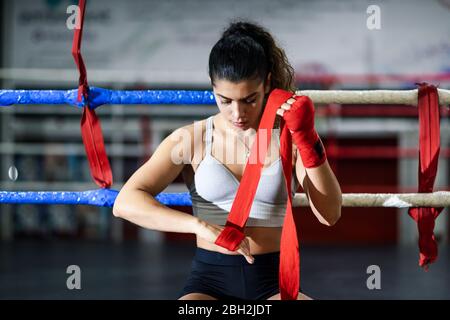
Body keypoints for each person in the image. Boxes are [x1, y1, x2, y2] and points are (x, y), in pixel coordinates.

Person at [112, 20, 342, 300]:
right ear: (212, 89)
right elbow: (125, 203)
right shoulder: (192, 139)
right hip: (209, 282)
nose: (237, 113)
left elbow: (329, 215)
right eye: (225, 100)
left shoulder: (288, 138)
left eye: (249, 99)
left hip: (273, 281)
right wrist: (199, 226)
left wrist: (308, 139)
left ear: (267, 83)